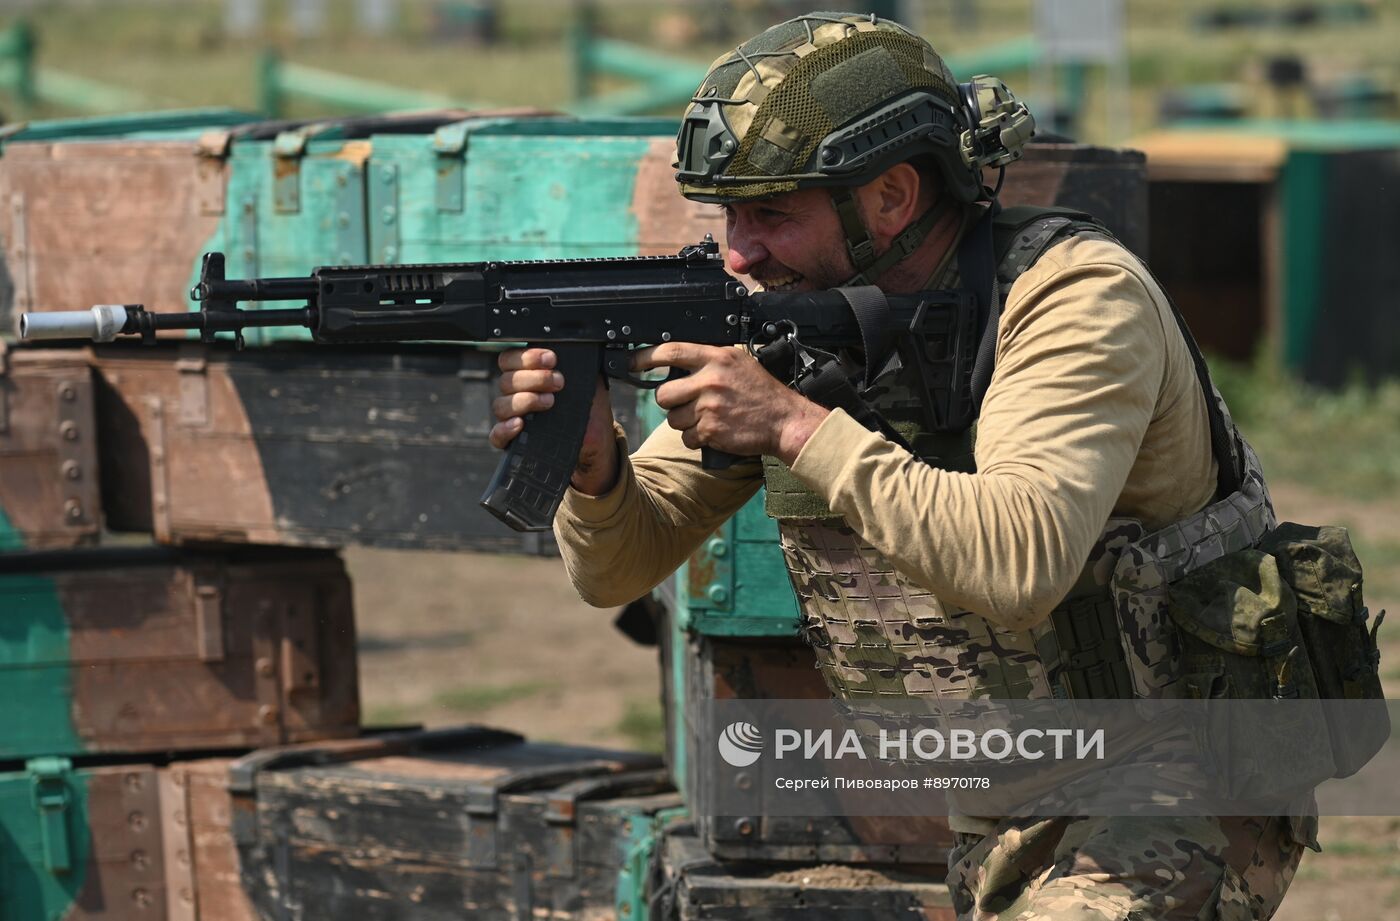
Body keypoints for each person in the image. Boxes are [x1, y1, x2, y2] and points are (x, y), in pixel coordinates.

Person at [490, 12, 1313, 919]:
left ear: (891, 196)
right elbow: (618, 569)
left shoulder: (1074, 299)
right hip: (1006, 800)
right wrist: (596, 472)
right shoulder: (799, 317)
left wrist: (796, 427)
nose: (737, 252)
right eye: (728, 214)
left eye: (772, 213)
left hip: (1185, 773)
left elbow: (1022, 561)